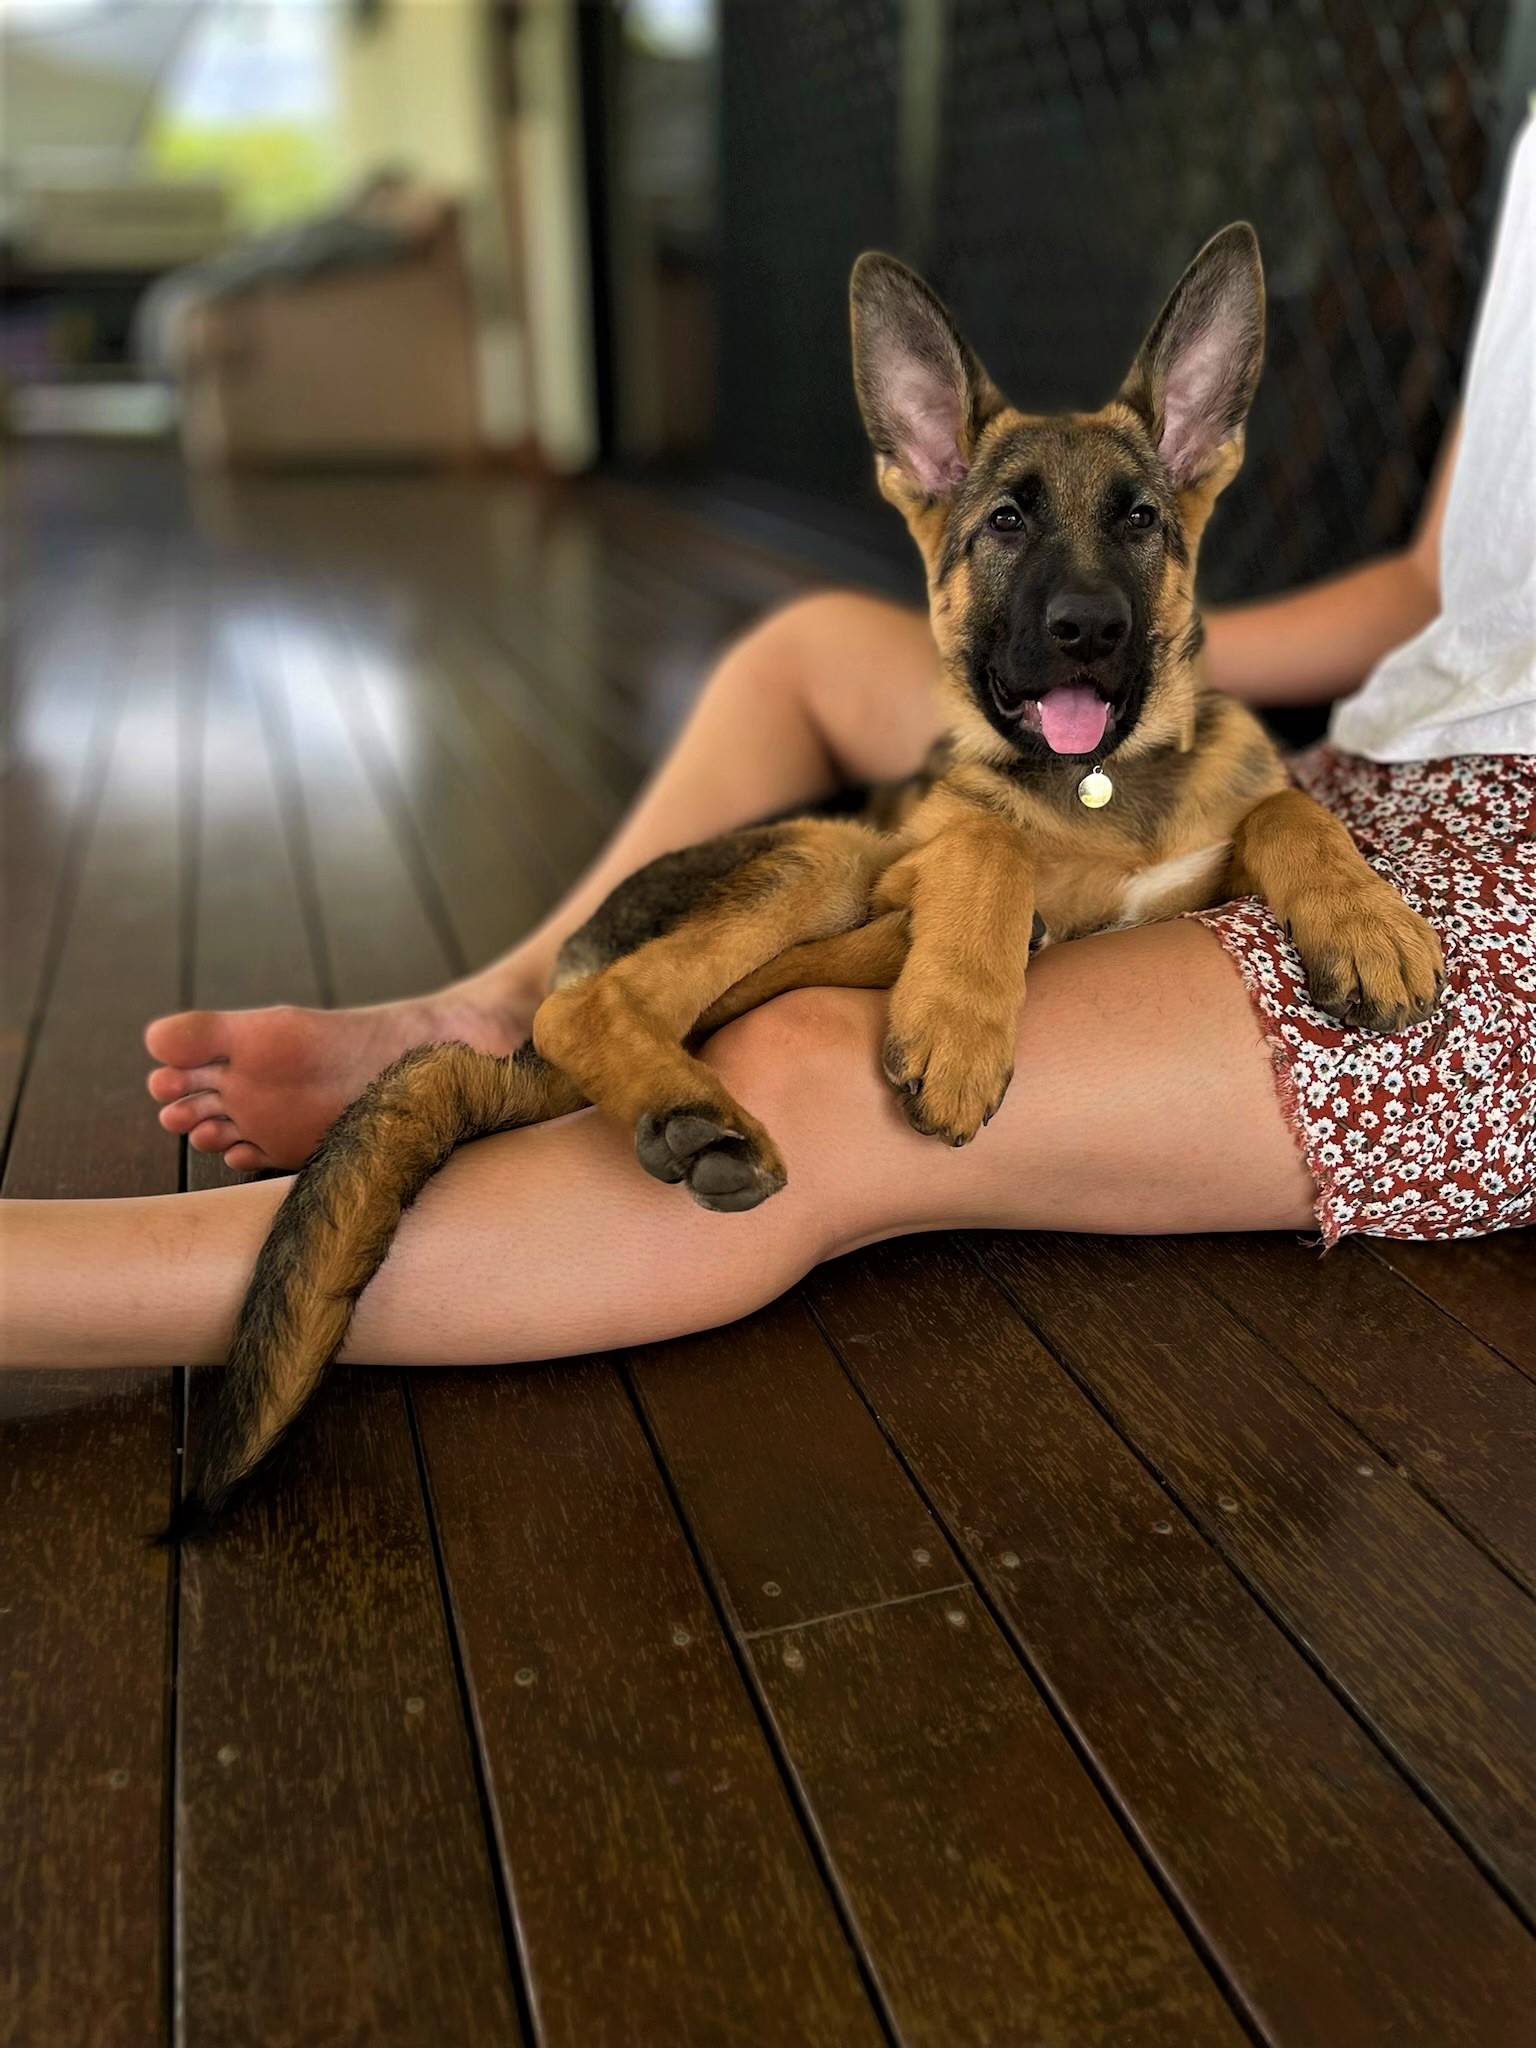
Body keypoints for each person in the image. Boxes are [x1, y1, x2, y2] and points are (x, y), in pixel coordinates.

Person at [3, 125, 1532, 1377]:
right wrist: (1155, 651)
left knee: (808, 1075)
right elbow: (1431, 587)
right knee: (806, 650)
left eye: (1143, 514)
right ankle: (501, 1012)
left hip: (1501, 877)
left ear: (1199, 467)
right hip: (1382, 756)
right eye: (1002, 521)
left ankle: (51, 1290)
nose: (1074, 589)